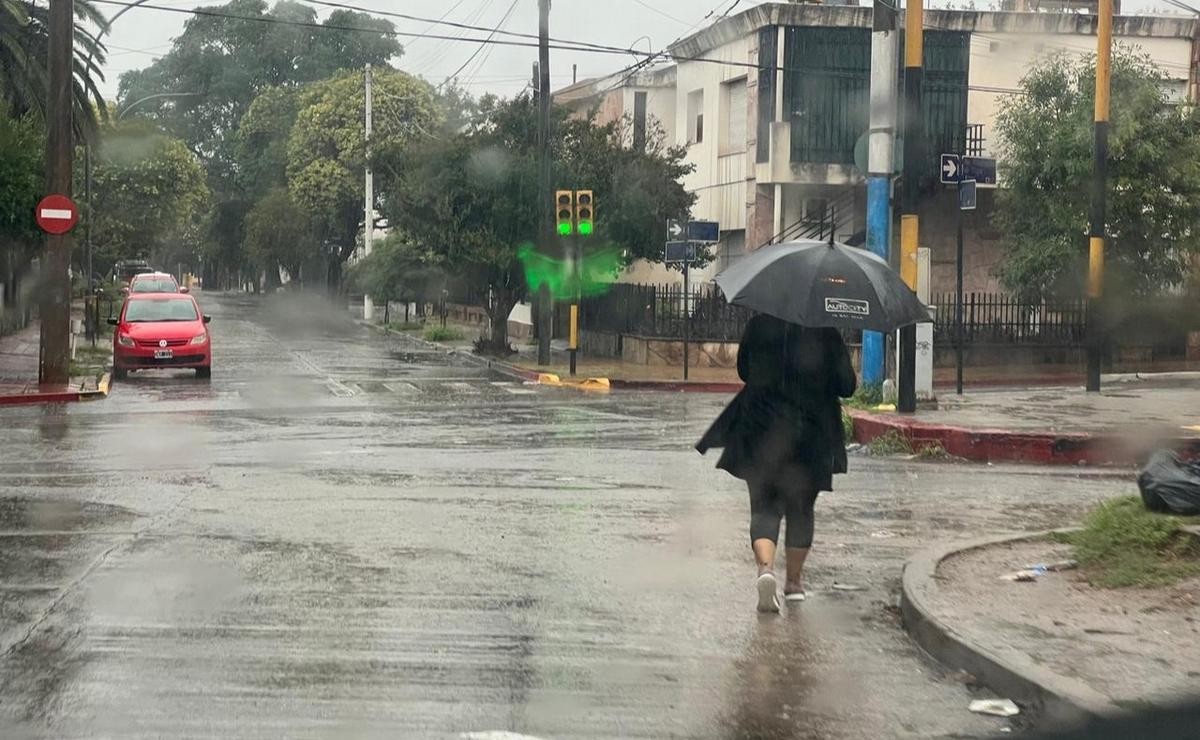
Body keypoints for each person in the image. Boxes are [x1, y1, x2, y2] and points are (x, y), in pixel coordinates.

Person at [696, 314, 856, 613]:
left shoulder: (758, 325)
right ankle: (793, 583)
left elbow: (744, 370)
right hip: (811, 434)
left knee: (764, 506)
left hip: (760, 430)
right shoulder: (826, 332)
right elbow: (847, 386)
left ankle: (765, 570)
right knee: (802, 508)